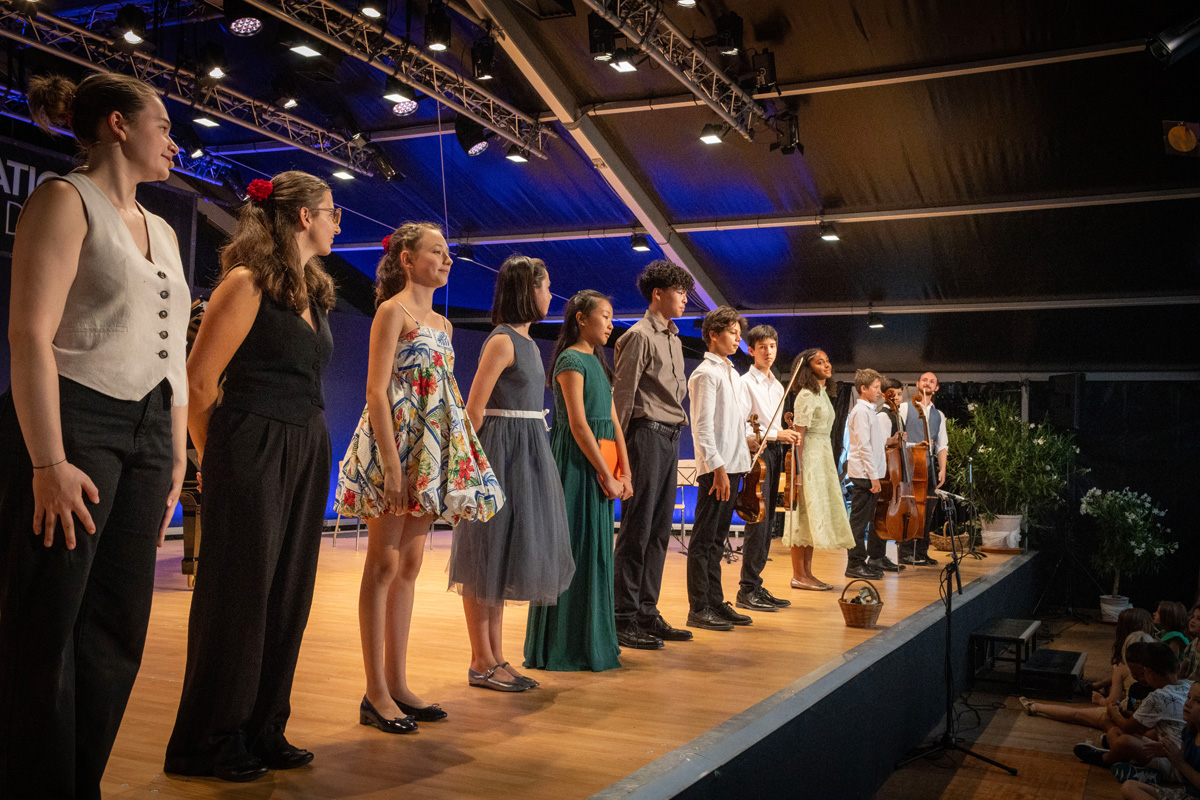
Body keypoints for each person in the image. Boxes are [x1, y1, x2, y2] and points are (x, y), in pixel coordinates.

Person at [0, 73, 188, 799]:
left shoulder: (163, 228)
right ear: (118, 124)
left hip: (147, 434)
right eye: (163, 125)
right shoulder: (64, 198)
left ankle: (82, 784)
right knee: (46, 625)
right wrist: (47, 459)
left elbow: (172, 356)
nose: (174, 142)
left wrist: (175, 453)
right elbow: (29, 334)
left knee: (116, 630)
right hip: (74, 422)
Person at [165, 171, 339, 781]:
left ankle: (263, 728)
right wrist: (219, 461)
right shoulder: (245, 282)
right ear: (303, 217)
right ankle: (209, 740)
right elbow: (198, 383)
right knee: (237, 596)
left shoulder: (313, 291)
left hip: (306, 443)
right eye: (330, 211)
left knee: (288, 592)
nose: (336, 223)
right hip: (252, 445)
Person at [335, 222, 503, 725]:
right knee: (383, 565)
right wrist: (390, 463)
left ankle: (398, 684)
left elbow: (443, 397)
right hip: (396, 446)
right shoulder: (392, 311)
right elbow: (376, 390)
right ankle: (375, 692)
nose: (447, 259)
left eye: (447, 252)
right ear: (407, 259)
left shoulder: (445, 326)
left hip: (429, 450)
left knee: (408, 565)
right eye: (437, 251)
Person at [449, 255, 575, 691]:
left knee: (502, 558)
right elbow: (474, 410)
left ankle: (497, 657)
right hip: (501, 454)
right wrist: (468, 471)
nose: (550, 295)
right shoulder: (502, 341)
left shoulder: (528, 342)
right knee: (484, 555)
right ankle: (480, 660)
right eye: (545, 286)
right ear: (527, 290)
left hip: (526, 451)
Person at [524, 290, 631, 671]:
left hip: (600, 464)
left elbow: (613, 420)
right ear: (582, 318)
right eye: (605, 316)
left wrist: (625, 471)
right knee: (573, 548)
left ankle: (593, 641)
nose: (611, 324)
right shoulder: (570, 359)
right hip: (576, 465)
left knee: (595, 552)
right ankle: (563, 646)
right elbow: (578, 424)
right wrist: (605, 472)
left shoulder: (598, 362)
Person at [611, 260, 695, 650]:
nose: (685, 298)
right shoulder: (638, 336)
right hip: (644, 436)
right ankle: (622, 616)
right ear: (658, 294)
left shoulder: (674, 339)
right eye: (679, 291)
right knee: (637, 530)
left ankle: (646, 611)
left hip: (671, 437)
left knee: (661, 531)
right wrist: (618, 457)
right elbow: (622, 400)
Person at [683, 307, 754, 631]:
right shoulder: (705, 374)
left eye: (739, 333)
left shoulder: (733, 375)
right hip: (717, 469)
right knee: (703, 541)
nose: (738, 338)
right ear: (713, 334)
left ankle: (715, 601)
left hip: (733, 465)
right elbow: (702, 428)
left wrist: (747, 441)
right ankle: (698, 607)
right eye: (732, 332)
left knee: (717, 541)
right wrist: (718, 469)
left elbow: (731, 423)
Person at [780, 349, 855, 590]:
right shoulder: (805, 395)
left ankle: (807, 574)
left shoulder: (821, 392)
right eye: (820, 362)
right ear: (808, 368)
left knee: (812, 517)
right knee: (802, 516)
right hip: (809, 457)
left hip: (822, 456)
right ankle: (798, 575)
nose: (827, 365)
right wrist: (798, 471)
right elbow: (798, 437)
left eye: (827, 360)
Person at [736, 324, 798, 612]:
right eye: (762, 347)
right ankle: (747, 589)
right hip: (757, 454)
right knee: (757, 520)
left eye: (772, 346)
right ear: (751, 350)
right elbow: (743, 428)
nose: (768, 352)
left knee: (770, 521)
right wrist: (777, 434)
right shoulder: (744, 383)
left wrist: (782, 433)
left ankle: (756, 584)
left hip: (774, 452)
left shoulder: (778, 385)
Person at [1075, 642, 1194, 783]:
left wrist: (1113, 711)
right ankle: (1136, 767)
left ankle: (1105, 759)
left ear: (1148, 672)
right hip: (1187, 755)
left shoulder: (1158, 697)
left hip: (1177, 765)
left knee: (1124, 741)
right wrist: (1125, 713)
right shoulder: (1188, 685)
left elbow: (1128, 728)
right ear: (1178, 666)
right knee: (1115, 733)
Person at [1020, 632, 1156, 731]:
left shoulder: (1122, 670)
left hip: (1124, 715)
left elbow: (1112, 702)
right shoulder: (1155, 672)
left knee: (1076, 714)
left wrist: (1100, 700)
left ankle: (1036, 706)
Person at [897, 371, 947, 566]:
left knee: (927, 511)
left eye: (932, 381)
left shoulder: (938, 415)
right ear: (917, 384)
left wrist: (942, 469)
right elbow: (897, 439)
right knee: (909, 510)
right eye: (924, 380)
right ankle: (906, 551)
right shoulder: (904, 408)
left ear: (937, 388)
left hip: (928, 468)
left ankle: (921, 552)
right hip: (908, 467)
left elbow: (942, 445)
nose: (927, 383)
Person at [844, 369, 890, 580]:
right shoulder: (861, 412)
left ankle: (860, 561)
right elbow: (864, 446)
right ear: (863, 388)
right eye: (876, 388)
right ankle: (854, 564)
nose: (879, 392)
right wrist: (873, 476)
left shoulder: (868, 411)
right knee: (859, 522)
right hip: (864, 475)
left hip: (869, 474)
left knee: (863, 521)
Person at [1120, 681, 1200, 800]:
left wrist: (1180, 763)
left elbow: (1183, 766)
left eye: (1198, 701)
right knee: (1129, 787)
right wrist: (1167, 753)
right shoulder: (1189, 732)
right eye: (1188, 697)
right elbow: (1185, 766)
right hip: (1187, 794)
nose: (1188, 703)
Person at [871, 377, 908, 572]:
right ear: (885, 396)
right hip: (885, 471)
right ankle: (875, 556)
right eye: (894, 394)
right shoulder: (884, 416)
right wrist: (893, 440)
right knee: (880, 514)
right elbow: (882, 443)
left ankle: (881, 555)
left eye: (900, 394)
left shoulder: (897, 416)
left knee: (886, 513)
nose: (898, 397)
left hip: (893, 470)